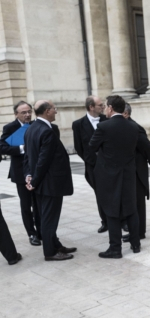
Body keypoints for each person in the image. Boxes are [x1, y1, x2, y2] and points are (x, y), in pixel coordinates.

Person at [23, 100, 76, 261]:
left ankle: (55, 245)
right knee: (49, 219)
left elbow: (29, 157)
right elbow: (43, 160)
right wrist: (35, 180)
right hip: (49, 183)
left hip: (42, 182)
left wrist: (29, 176)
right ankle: (50, 252)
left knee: (47, 217)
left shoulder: (32, 128)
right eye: (54, 109)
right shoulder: (45, 131)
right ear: (47, 111)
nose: (56, 111)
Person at [89, 95, 141, 258]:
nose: (105, 109)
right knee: (131, 208)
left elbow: (92, 146)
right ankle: (135, 243)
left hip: (109, 174)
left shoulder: (104, 126)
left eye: (106, 106)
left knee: (111, 210)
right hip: (128, 173)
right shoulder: (133, 126)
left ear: (111, 108)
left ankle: (115, 248)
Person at [0, 101, 42, 246]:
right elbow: (2, 147)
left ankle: (42, 231)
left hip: (37, 170)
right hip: (20, 172)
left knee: (39, 203)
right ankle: (31, 233)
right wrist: (21, 149)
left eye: (29, 111)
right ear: (16, 114)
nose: (27, 115)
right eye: (23, 112)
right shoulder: (10, 127)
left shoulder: (36, 124)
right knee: (26, 205)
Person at [122, 103, 150, 242]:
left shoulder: (135, 127)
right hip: (129, 171)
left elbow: (148, 148)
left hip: (137, 172)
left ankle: (139, 232)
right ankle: (134, 231)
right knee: (132, 202)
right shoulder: (124, 127)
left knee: (138, 203)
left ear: (126, 114)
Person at [72, 96, 108, 233]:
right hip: (93, 166)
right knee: (99, 193)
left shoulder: (107, 120)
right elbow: (79, 147)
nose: (103, 106)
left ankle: (121, 220)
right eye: (100, 105)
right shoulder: (78, 124)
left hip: (110, 164)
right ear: (91, 107)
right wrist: (91, 160)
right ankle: (105, 221)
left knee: (115, 192)